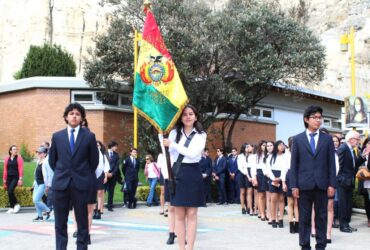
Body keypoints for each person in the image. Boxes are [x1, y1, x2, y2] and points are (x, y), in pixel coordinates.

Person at [48, 102, 99, 250]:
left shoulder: (89, 136)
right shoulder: (57, 136)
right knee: (60, 223)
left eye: (77, 114)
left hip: (81, 184)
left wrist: (82, 175)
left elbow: (94, 161)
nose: (74, 116)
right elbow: (52, 161)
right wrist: (63, 172)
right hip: (61, 184)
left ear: (82, 118)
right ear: (66, 117)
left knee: (82, 223)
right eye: (71, 114)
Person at [290, 105, 337, 250]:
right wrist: (294, 185)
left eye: (319, 117)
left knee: (321, 217)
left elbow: (331, 164)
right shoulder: (297, 139)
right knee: (304, 217)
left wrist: (332, 184)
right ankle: (305, 245)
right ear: (306, 119)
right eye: (315, 117)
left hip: (322, 185)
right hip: (304, 185)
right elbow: (294, 165)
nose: (318, 120)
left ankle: (321, 245)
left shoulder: (327, 139)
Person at [162, 104, 206, 250]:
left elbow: (193, 153)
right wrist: (165, 140)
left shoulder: (201, 135)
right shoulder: (174, 133)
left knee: (192, 214)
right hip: (178, 173)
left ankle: (190, 247)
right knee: (179, 214)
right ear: (180, 117)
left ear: (196, 116)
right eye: (185, 114)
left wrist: (173, 145)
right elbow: (169, 154)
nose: (188, 116)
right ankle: (181, 247)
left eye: (191, 114)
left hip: (193, 173)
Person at [337, 130, 368, 233]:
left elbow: (354, 165)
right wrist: (340, 179)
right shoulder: (343, 148)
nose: (359, 141)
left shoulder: (352, 150)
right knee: (343, 204)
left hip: (350, 181)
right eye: (357, 139)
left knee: (348, 204)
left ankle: (346, 224)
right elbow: (338, 166)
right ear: (350, 139)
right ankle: (343, 225)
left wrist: (364, 156)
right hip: (343, 182)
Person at [266, 140, 286, 228]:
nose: (282, 146)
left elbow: (285, 169)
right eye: (280, 145)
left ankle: (281, 219)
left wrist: (281, 178)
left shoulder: (285, 157)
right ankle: (273, 218)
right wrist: (274, 179)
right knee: (273, 198)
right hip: (273, 178)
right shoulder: (270, 157)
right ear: (276, 146)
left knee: (281, 199)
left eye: (283, 145)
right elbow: (268, 169)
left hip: (282, 178)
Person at [282, 137, 299, 233]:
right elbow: (284, 169)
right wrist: (283, 182)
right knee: (290, 203)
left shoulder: (300, 153)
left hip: (298, 176)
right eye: (291, 143)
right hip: (289, 176)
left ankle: (298, 223)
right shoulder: (286, 155)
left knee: (297, 203)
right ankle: (291, 224)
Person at [32, 147, 52, 221]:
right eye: (37, 152)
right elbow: (36, 173)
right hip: (37, 183)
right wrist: (34, 182)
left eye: (40, 153)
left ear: (45, 154)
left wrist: (48, 185)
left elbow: (50, 174)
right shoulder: (38, 161)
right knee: (35, 200)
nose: (38, 154)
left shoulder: (46, 162)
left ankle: (48, 210)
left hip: (43, 184)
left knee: (36, 200)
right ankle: (40, 216)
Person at [3, 145, 24, 214]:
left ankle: (16, 204)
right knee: (9, 192)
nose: (15, 150)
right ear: (10, 151)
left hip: (15, 177)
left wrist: (20, 179)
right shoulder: (7, 159)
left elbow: (21, 168)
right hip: (9, 177)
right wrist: (4, 179)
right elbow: (5, 169)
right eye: (14, 149)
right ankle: (12, 207)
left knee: (10, 190)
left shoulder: (19, 158)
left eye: (16, 149)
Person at [94, 141, 110, 219]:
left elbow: (106, 168)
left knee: (100, 193)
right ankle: (94, 210)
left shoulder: (103, 156)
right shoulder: (91, 155)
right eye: (96, 145)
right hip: (92, 176)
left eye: (98, 145)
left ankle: (99, 211)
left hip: (101, 175)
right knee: (93, 194)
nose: (97, 147)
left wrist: (106, 177)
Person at [251, 140, 267, 221]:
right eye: (263, 145)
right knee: (261, 195)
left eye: (266, 145)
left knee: (266, 195)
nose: (264, 147)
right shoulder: (256, 156)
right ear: (260, 146)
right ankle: (261, 213)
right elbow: (253, 168)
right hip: (259, 174)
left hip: (267, 175)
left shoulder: (269, 155)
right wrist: (254, 178)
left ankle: (266, 212)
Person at [105, 141, 120, 212]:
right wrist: (106, 173)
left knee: (111, 192)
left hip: (113, 176)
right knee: (102, 191)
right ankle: (99, 207)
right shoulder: (104, 154)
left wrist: (112, 173)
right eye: (115, 146)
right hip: (104, 176)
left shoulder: (116, 155)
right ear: (111, 146)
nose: (116, 148)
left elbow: (117, 166)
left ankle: (109, 206)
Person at [237, 144, 249, 214]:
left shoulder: (251, 156)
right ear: (243, 148)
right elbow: (240, 167)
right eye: (246, 147)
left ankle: (248, 206)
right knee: (242, 192)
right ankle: (242, 207)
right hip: (242, 174)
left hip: (249, 175)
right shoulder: (240, 156)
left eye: (248, 147)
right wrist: (246, 173)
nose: (248, 148)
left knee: (248, 192)